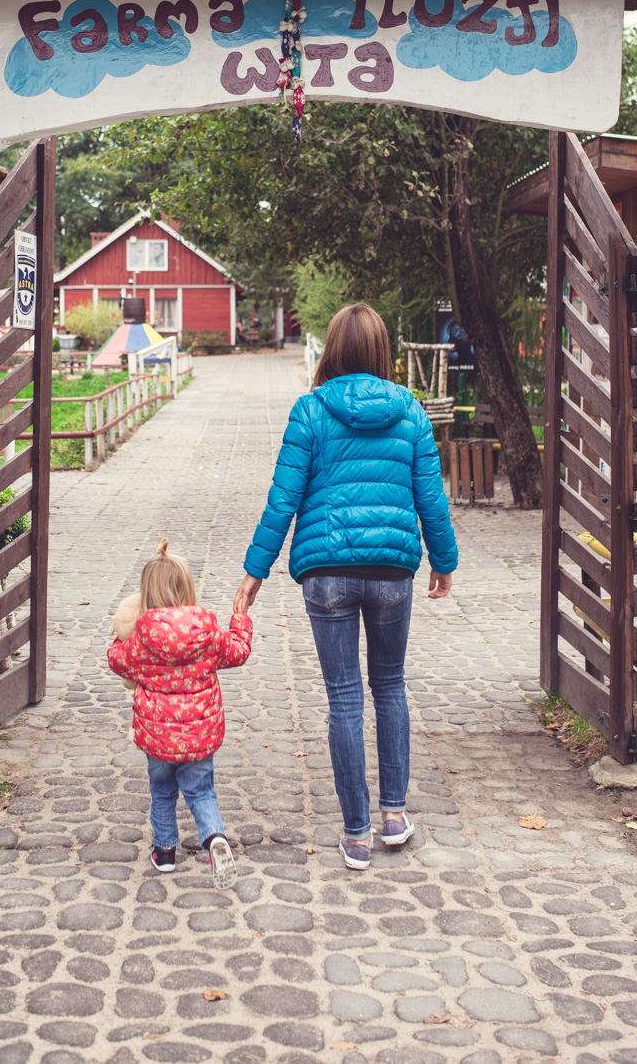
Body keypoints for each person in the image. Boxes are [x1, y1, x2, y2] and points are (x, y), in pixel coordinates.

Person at [233, 304, 457, 870]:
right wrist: (443, 559)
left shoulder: (310, 411)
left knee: (344, 697)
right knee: (390, 687)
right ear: (381, 350)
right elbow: (431, 495)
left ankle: (356, 835)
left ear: (332, 348)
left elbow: (283, 498)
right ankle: (394, 816)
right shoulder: (410, 410)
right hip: (392, 572)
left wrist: (256, 570)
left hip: (326, 571)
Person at [108, 538, 252, 889]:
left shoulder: (142, 636)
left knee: (162, 792)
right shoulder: (207, 632)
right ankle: (215, 837)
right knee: (201, 791)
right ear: (188, 589)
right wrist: (240, 619)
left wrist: (118, 638)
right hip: (199, 737)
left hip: (158, 739)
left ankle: (165, 852)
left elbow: (118, 662)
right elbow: (238, 651)